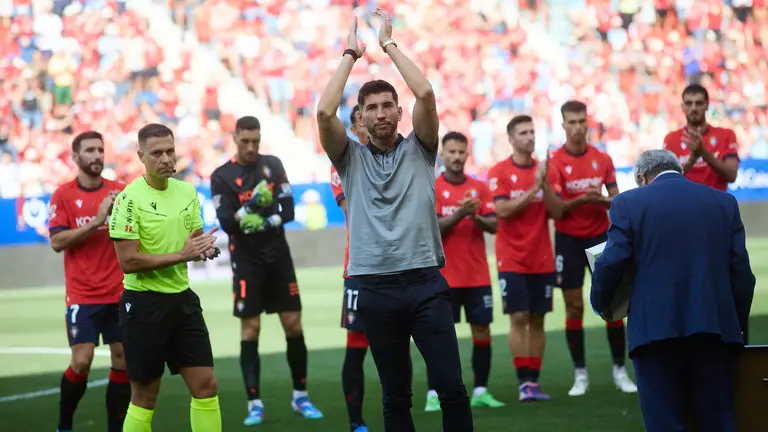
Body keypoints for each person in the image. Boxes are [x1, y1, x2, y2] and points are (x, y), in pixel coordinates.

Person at [316, 9, 473, 432]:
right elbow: (324, 114)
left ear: (399, 113)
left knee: (451, 388)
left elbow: (426, 94)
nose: (381, 113)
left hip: (424, 282)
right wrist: (351, 53)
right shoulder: (348, 159)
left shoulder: (421, 149)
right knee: (395, 398)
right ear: (362, 119)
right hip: (374, 287)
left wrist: (388, 45)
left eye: (388, 106)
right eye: (372, 108)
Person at [591, 149, 755, 432]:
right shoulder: (724, 202)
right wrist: (736, 326)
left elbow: (612, 260)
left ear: (642, 177)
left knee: (665, 422)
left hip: (654, 331)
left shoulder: (628, 203)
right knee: (718, 421)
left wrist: (601, 303)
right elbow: (741, 275)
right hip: (715, 330)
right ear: (679, 170)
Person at [210, 116, 322, 426]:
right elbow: (229, 224)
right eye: (245, 141)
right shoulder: (222, 176)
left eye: (255, 141)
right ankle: (254, 404)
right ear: (235, 138)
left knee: (294, 326)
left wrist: (266, 220)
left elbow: (288, 210)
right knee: (251, 330)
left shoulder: (273, 165)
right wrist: (251, 207)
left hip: (278, 257)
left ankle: (301, 396)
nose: (250, 147)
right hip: (247, 261)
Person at [109, 123, 222, 432]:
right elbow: (128, 261)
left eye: (170, 151)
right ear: (141, 157)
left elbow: (193, 241)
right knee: (144, 396)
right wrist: (182, 255)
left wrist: (204, 251)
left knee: (206, 386)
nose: (165, 158)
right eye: (156, 153)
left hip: (182, 302)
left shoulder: (187, 191)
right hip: (144, 305)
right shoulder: (128, 199)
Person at [548, 100, 637, 396]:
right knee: (573, 307)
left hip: (600, 237)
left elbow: (617, 199)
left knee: (612, 304)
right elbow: (558, 209)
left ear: (588, 123)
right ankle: (580, 374)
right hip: (568, 241)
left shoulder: (603, 158)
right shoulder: (555, 161)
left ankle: (619, 371)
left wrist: (598, 200)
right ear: (563, 126)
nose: (577, 127)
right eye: (571, 122)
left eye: (581, 121)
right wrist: (586, 200)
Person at [48, 131, 129, 432]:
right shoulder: (63, 195)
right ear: (76, 157)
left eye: (100, 149)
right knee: (82, 361)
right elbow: (57, 241)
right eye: (90, 150)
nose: (96, 155)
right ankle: (64, 424)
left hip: (120, 293)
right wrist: (96, 222)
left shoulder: (121, 192)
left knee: (123, 360)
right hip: (83, 295)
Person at [662, 84, 746, 341]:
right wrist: (689, 160)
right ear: (682, 106)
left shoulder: (725, 135)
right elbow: (666, 180)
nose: (694, 108)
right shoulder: (671, 140)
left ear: (708, 105)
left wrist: (704, 153)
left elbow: (730, 174)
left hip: (718, 220)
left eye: (699, 102)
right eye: (689, 103)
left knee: (725, 282)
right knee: (687, 282)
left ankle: (732, 337)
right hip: (682, 222)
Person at [429, 131, 504, 411]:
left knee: (482, 331)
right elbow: (433, 228)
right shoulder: (433, 187)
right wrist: (462, 213)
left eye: (462, 152)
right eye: (452, 152)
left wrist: (474, 215)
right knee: (436, 336)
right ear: (443, 155)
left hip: (477, 276)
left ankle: (481, 390)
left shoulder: (480, 188)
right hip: (444, 277)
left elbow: (495, 226)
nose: (457, 157)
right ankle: (434, 394)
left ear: (467, 155)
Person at [487, 116, 558, 402]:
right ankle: (523, 382)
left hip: (542, 257)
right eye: (523, 132)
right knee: (518, 316)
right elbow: (502, 210)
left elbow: (557, 212)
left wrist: (546, 184)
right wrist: (534, 189)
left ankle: (534, 380)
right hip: (512, 258)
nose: (530, 137)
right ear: (511, 138)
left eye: (532, 131)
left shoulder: (544, 171)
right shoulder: (500, 171)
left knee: (538, 318)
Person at [331, 105, 372, 432]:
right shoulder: (342, 163)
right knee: (356, 349)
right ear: (355, 126)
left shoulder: (397, 155)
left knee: (396, 346)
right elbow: (355, 211)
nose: (370, 123)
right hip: (359, 269)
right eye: (362, 119)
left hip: (398, 266)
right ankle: (355, 421)